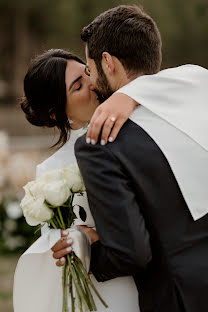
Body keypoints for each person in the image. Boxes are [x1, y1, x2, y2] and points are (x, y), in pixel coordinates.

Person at [53, 5, 208, 312]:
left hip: (180, 298)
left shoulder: (100, 144)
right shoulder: (198, 99)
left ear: (108, 62)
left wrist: (87, 251)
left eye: (90, 69)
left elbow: (132, 253)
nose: (92, 82)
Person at [13, 48, 140, 312]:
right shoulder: (50, 173)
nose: (93, 84)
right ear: (56, 113)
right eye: (78, 86)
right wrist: (70, 242)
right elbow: (59, 241)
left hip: (148, 280)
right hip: (102, 289)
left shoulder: (136, 130)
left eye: (87, 73)